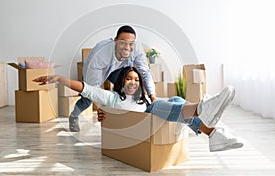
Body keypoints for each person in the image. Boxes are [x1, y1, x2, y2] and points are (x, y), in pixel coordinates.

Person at [34, 66, 244, 152]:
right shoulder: (112, 98)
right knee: (158, 106)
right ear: (122, 82)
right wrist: (59, 78)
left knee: (176, 99)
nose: (133, 82)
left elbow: (160, 105)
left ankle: (213, 134)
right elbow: (86, 89)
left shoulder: (143, 100)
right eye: (128, 78)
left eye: (136, 79)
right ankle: (202, 108)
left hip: (153, 121)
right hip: (138, 132)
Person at [69, 25, 157, 132]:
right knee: (87, 99)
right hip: (99, 70)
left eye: (131, 43)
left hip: (118, 69)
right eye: (123, 42)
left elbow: (145, 72)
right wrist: (105, 109)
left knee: (128, 90)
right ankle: (74, 116)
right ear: (116, 41)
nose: (127, 47)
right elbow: (94, 90)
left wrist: (152, 97)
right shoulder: (99, 56)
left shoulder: (137, 49)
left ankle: (127, 115)